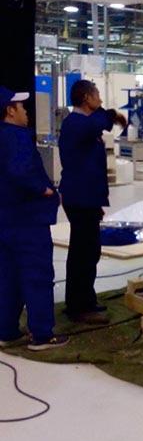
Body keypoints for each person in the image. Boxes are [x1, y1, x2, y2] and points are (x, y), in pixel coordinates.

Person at [0, 86, 68, 351]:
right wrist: (45, 190)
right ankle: (41, 335)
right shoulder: (16, 137)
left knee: (9, 277)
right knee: (36, 274)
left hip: (6, 219)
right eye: (22, 107)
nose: (26, 112)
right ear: (10, 110)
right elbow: (20, 171)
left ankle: (6, 330)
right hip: (27, 221)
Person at [58, 80, 127, 324]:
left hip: (86, 198)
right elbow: (99, 122)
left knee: (88, 250)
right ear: (86, 98)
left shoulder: (84, 125)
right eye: (97, 94)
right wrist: (112, 114)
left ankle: (84, 300)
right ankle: (79, 307)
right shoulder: (77, 124)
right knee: (83, 253)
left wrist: (96, 204)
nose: (100, 98)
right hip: (79, 198)